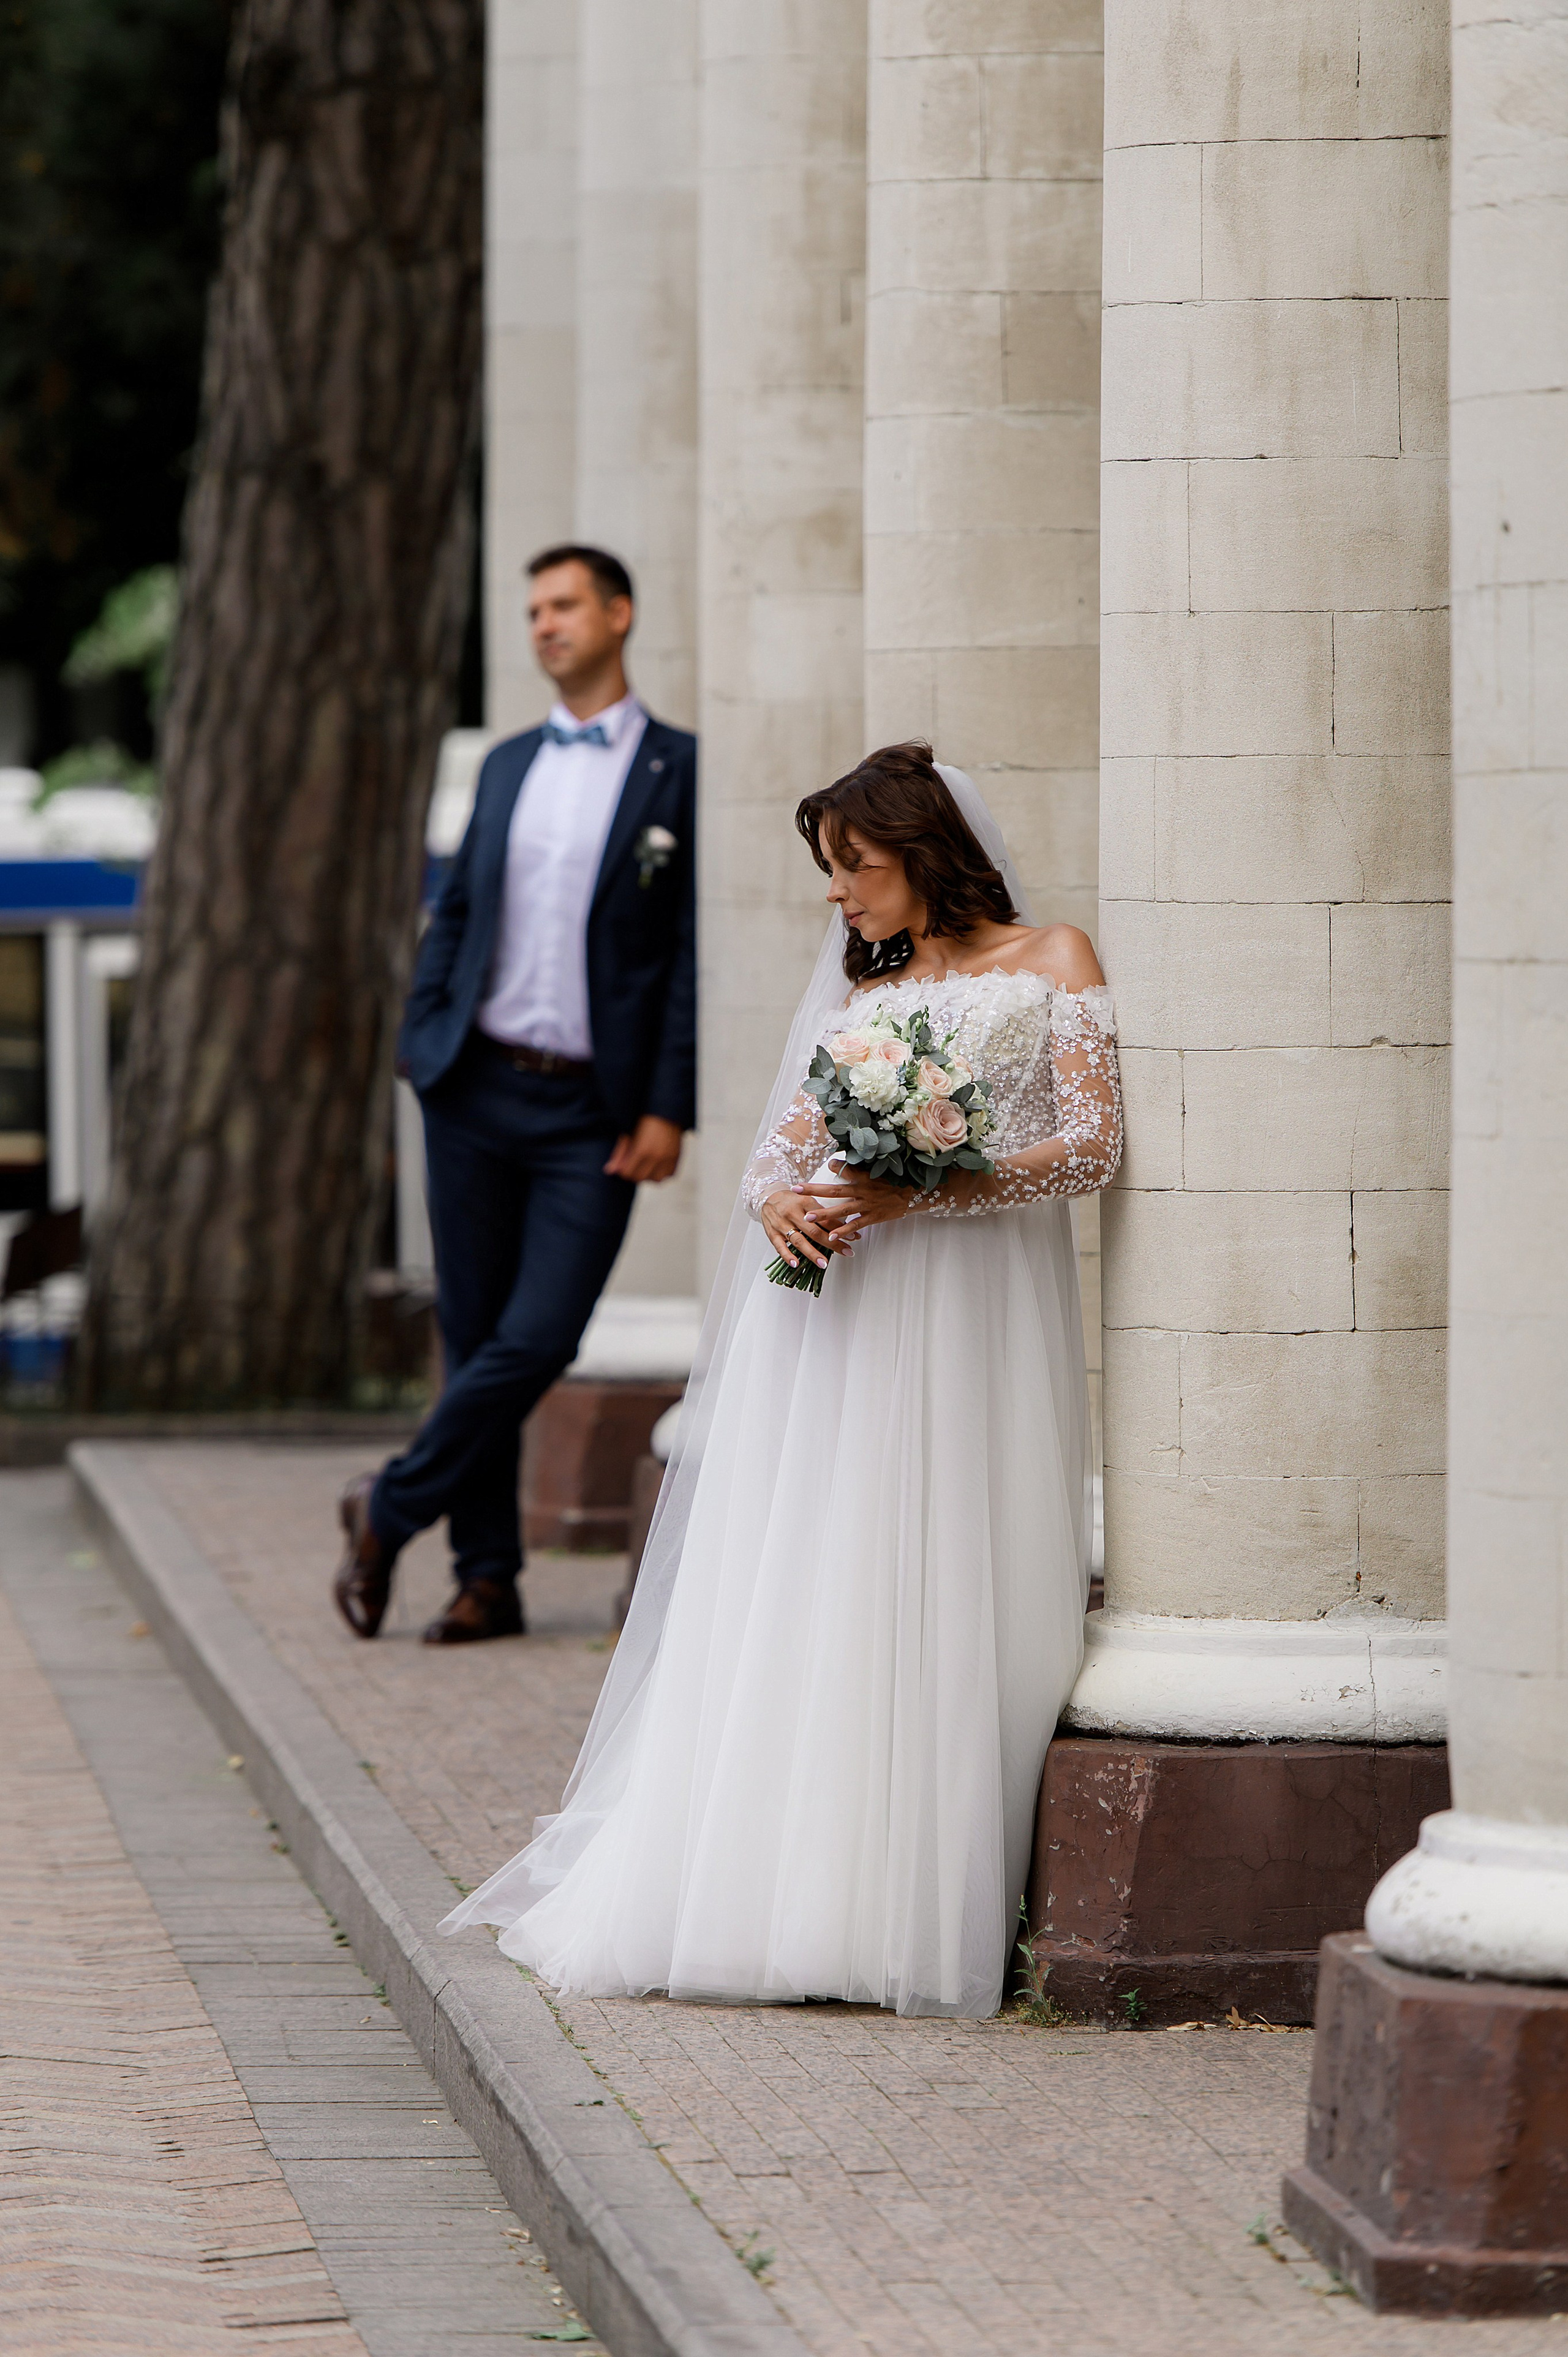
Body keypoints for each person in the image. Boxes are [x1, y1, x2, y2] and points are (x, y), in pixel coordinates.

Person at [440, 743, 1121, 2017]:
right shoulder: (861, 1006)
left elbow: (1088, 1148)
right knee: (839, 1565)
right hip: (849, 1326)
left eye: (853, 868)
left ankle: (923, 1889)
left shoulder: (1054, 961)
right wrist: (782, 1213)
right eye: (829, 872)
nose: (837, 896)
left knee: (955, 1562)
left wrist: (934, 1185)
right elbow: (773, 1158)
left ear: (923, 852)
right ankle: (799, 1893)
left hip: (976, 1312)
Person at [333, 545, 696, 1645]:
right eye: (532, 608)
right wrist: (420, 1042)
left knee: (538, 1338)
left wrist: (668, 1103)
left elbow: (687, 955)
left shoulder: (679, 772)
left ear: (620, 614)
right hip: (474, 1088)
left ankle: (388, 1505)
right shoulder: (502, 766)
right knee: (474, 1326)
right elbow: (456, 915)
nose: (544, 624)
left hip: (596, 1110)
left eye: (565, 604)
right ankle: (486, 1578)